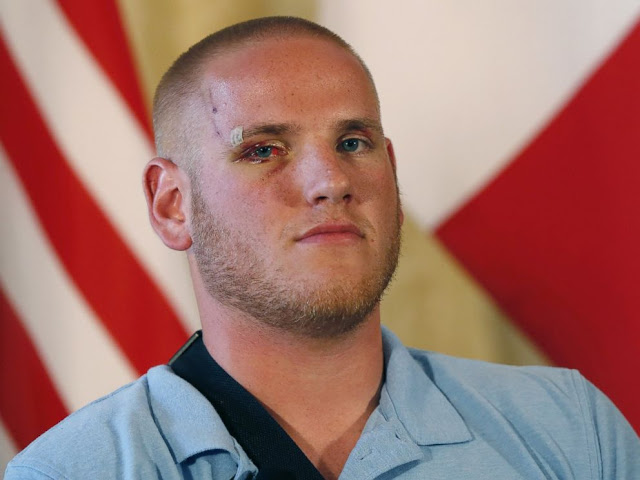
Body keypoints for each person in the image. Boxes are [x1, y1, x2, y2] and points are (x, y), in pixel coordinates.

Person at [5, 16, 638, 480]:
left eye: (354, 142)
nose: (331, 181)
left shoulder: (569, 431)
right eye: (263, 150)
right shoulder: (69, 471)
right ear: (173, 205)